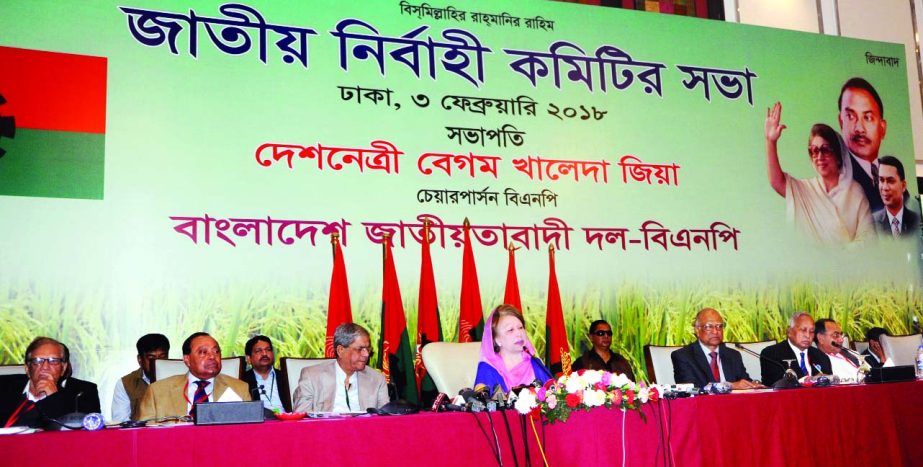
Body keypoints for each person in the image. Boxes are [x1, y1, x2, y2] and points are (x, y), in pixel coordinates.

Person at [764, 103, 874, 244]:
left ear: (838, 154)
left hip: (847, 265)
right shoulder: (807, 190)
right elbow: (777, 182)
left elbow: (868, 238)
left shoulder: (855, 192)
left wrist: (841, 258)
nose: (819, 156)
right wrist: (770, 141)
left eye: (825, 149)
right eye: (814, 151)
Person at [137, 332, 250, 420]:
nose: (212, 356)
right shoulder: (157, 391)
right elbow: (144, 434)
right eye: (203, 352)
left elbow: (248, 433)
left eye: (216, 351)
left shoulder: (239, 389)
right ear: (187, 359)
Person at [0, 337, 101, 428]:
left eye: (53, 361)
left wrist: (53, 398)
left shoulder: (82, 393)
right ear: (27, 368)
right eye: (38, 360)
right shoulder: (3, 387)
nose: (45, 367)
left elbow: (82, 436)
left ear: (63, 368)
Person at [292, 323, 389, 413]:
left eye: (368, 349)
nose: (366, 354)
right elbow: (301, 417)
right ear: (340, 350)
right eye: (360, 349)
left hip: (364, 430)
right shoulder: (311, 376)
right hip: (325, 430)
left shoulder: (377, 379)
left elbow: (386, 419)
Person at [671, 308, 762, 389]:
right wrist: (729, 386)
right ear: (697, 330)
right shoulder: (683, 356)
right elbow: (691, 389)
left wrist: (753, 385)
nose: (715, 331)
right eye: (709, 327)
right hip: (703, 406)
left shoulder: (733, 355)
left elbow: (744, 381)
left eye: (719, 326)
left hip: (734, 404)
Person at [473, 305, 553, 392]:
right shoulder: (488, 368)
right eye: (510, 330)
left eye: (520, 327)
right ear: (497, 340)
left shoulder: (535, 363)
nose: (519, 333)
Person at [838, 77, 888, 212]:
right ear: (841, 122)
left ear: (882, 128)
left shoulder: (894, 178)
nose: (859, 128)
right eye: (850, 116)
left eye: (868, 117)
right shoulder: (837, 178)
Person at [760, 312, 832, 385]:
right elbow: (777, 385)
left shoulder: (822, 358)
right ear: (789, 331)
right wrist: (809, 380)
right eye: (803, 330)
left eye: (811, 331)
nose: (808, 335)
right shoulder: (771, 354)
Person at [111, 333, 169, 423]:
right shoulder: (125, 383)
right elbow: (120, 422)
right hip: (141, 435)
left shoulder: (181, 378)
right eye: (151, 358)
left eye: (162, 357)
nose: (157, 362)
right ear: (140, 360)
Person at [873, 156, 920, 238]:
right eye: (881, 180)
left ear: (903, 185)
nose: (885, 188)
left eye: (890, 181)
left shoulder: (916, 220)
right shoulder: (872, 223)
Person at [242, 335, 291, 413]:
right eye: (258, 351)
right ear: (248, 359)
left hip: (285, 421)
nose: (264, 353)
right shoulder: (242, 381)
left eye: (268, 350)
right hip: (259, 423)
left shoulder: (286, 377)